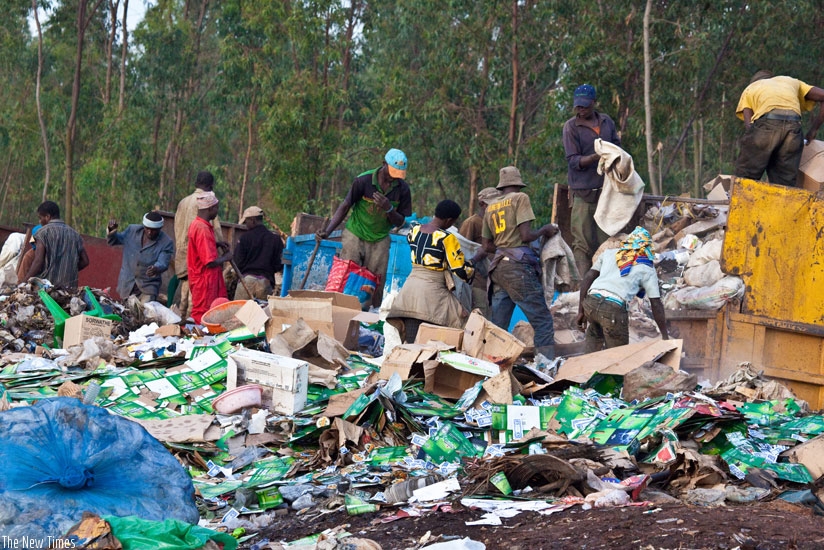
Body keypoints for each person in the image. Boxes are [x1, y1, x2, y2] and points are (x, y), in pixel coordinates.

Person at [316, 149, 412, 308]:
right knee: (348, 273)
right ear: (383, 165)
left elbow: (401, 222)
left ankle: (371, 315)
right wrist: (328, 231)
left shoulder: (403, 189)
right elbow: (345, 205)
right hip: (356, 232)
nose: (393, 178)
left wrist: (388, 209)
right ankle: (340, 308)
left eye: (398, 174)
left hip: (380, 237)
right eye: (392, 172)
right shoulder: (363, 181)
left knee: (375, 280)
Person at [482, 166, 559, 360]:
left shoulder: (490, 207)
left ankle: (490, 367)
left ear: (501, 186)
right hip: (518, 269)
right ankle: (545, 368)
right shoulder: (520, 199)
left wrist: (504, 248)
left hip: (498, 268)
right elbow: (526, 236)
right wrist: (544, 230)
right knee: (542, 321)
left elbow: (486, 245)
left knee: (498, 327)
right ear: (518, 184)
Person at [388, 200, 474, 342]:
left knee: (410, 343)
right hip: (433, 295)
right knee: (462, 322)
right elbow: (460, 271)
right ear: (449, 220)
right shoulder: (447, 238)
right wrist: (472, 267)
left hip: (409, 291)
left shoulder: (414, 230)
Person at [577, 226, 669, 352]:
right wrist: (665, 336)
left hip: (591, 302)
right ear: (647, 247)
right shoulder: (647, 267)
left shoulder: (609, 253)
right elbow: (656, 304)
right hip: (613, 309)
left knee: (592, 348)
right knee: (617, 357)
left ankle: (585, 368)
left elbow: (588, 277)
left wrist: (581, 311)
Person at [562, 84, 622, 276]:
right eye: (578, 106)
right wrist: (596, 157)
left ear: (594, 103)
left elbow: (618, 148)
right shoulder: (571, 127)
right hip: (583, 192)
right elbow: (573, 160)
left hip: (606, 191)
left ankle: (606, 282)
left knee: (607, 239)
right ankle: (583, 288)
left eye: (585, 106)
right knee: (582, 243)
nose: (581, 109)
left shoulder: (607, 122)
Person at [734, 71, 824, 186]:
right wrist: (813, 130)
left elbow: (749, 125)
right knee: (784, 181)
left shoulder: (751, 88)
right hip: (794, 127)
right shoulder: (790, 81)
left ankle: (743, 202)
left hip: (766, 124)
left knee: (746, 176)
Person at [174, 171, 226, 317]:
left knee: (183, 303)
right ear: (211, 186)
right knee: (197, 306)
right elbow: (215, 231)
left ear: (196, 183)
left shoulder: (183, 202)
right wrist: (223, 255)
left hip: (185, 257)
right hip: (202, 264)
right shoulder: (208, 202)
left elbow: (178, 228)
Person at [106, 211, 175, 303]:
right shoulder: (132, 230)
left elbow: (163, 261)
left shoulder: (166, 242)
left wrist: (156, 268)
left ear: (160, 229)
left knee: (144, 313)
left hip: (147, 288)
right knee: (126, 313)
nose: (150, 232)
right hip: (127, 284)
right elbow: (114, 241)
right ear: (143, 226)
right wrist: (112, 232)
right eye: (147, 229)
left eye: (154, 230)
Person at [187, 192, 232, 324]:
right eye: (216, 208)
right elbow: (209, 262)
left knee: (212, 311)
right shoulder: (202, 229)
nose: (217, 211)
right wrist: (226, 258)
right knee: (203, 313)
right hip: (204, 281)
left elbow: (200, 249)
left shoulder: (198, 225)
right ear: (210, 209)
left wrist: (215, 244)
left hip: (204, 279)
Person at [25, 201, 89, 288]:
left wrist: (24, 281)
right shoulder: (75, 234)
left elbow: (38, 261)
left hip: (48, 288)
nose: (40, 222)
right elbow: (85, 261)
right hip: (70, 289)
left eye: (40, 218)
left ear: (47, 217)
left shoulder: (42, 233)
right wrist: (70, 270)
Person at [459, 187, 501, 317]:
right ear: (482, 204)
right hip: (477, 283)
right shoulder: (472, 223)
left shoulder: (497, 223)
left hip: (493, 283)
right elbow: (462, 251)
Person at [233, 206, 283, 300]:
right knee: (262, 313)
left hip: (246, 283)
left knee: (239, 312)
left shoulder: (244, 238)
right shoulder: (275, 239)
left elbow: (237, 262)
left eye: (246, 222)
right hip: (265, 283)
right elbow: (279, 265)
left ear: (253, 220)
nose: (246, 225)